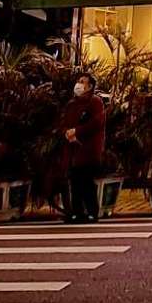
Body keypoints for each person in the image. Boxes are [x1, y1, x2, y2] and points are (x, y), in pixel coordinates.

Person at [60, 73, 106, 223]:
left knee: (86, 181)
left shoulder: (95, 102)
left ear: (90, 86)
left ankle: (92, 212)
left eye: (82, 82)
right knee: (75, 182)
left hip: (88, 149)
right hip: (73, 150)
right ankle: (77, 212)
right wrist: (67, 132)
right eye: (78, 81)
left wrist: (77, 131)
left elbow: (96, 123)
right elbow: (65, 122)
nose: (79, 84)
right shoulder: (71, 104)